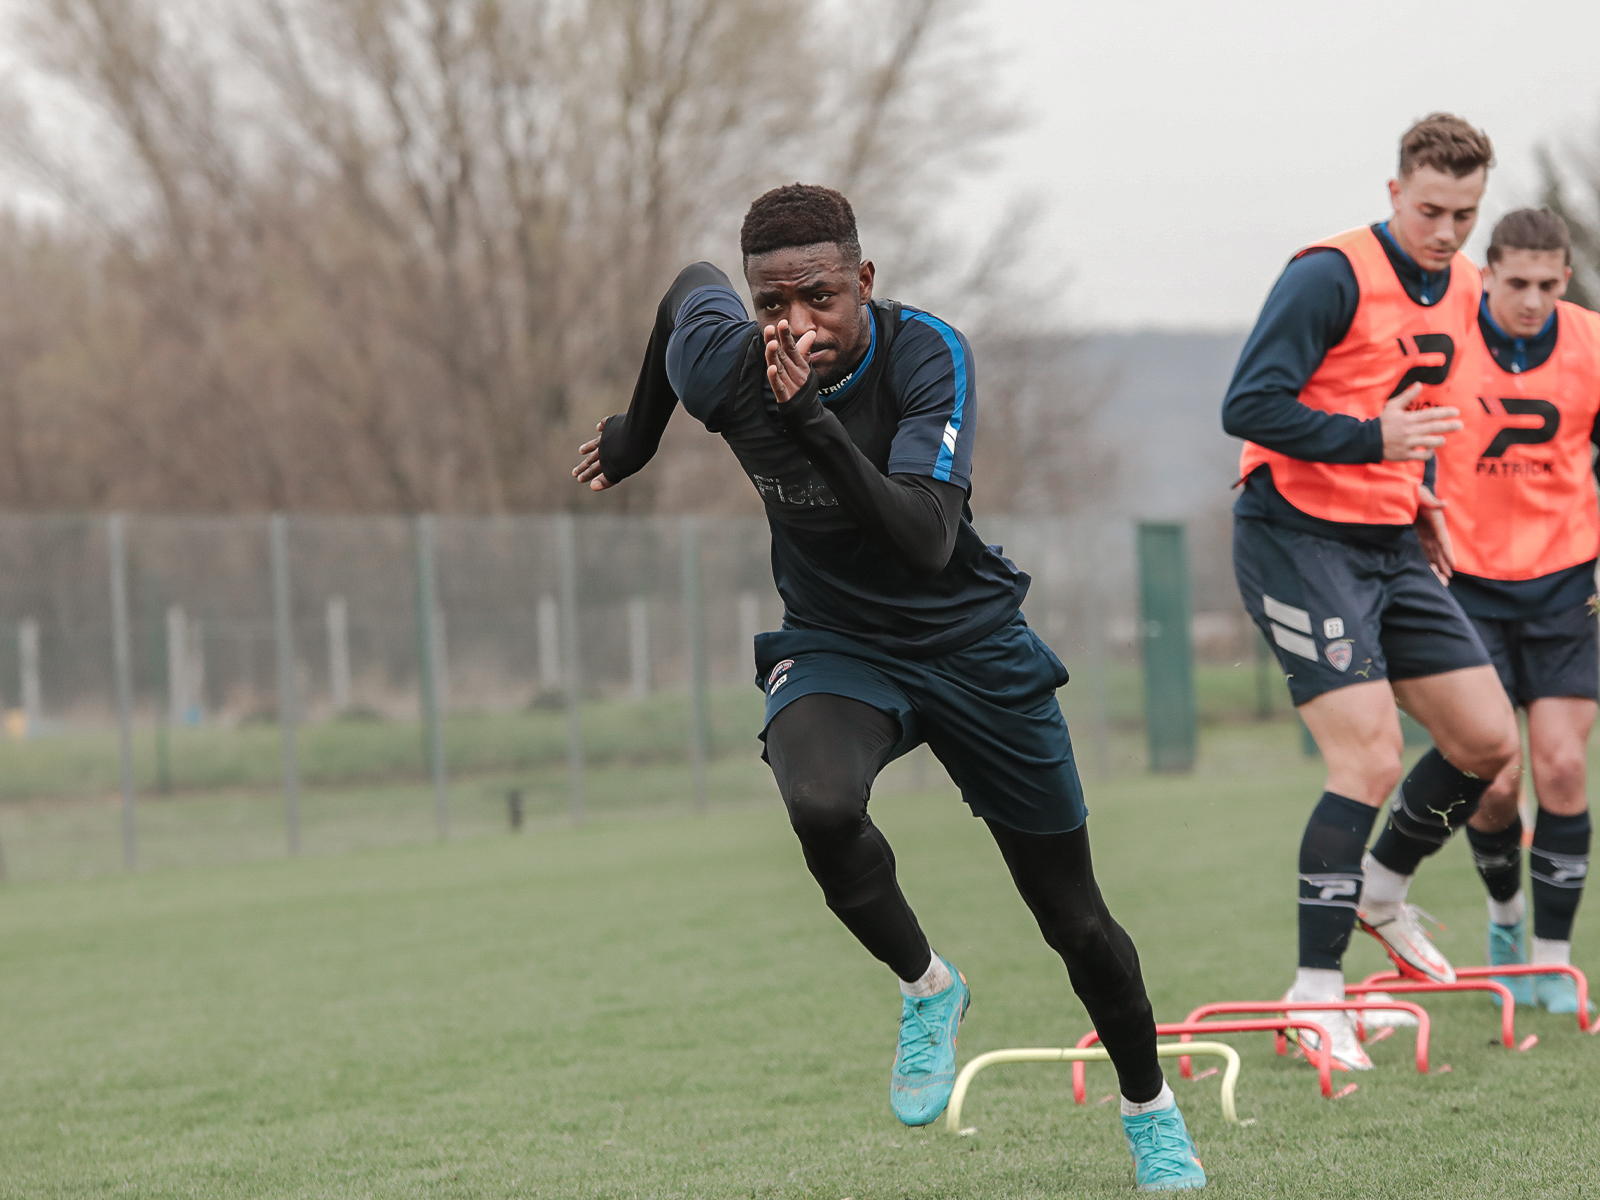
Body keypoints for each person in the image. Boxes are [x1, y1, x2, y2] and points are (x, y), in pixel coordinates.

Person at [573, 184, 1206, 1190]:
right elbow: (682, 296)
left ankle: (1150, 1109)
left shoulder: (926, 356)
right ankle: (927, 987)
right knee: (819, 804)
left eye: (818, 297)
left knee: (1074, 920)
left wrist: (812, 423)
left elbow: (921, 540)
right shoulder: (724, 363)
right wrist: (640, 431)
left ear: (862, 281)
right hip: (836, 644)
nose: (793, 324)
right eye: (771, 304)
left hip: (969, 643)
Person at [1221, 114, 1521, 1071]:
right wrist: (1372, 447)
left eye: (1464, 215)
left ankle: (1382, 890)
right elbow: (1250, 407)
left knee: (1485, 740)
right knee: (1370, 760)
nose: (1445, 230)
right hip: (1296, 536)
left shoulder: (1468, 285)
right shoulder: (1331, 273)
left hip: (1391, 535)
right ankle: (1316, 996)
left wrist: (1417, 490)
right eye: (1430, 209)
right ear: (1395, 194)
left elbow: (1414, 410)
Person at [1429, 207, 1597, 1015]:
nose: (1531, 299)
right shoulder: (1444, 345)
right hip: (1466, 584)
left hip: (1568, 580)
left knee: (1562, 765)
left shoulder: (1590, 344)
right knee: (1494, 782)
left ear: (1565, 279)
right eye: (1516, 283)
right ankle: (1504, 919)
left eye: (1546, 284)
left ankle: (1551, 963)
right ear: (1486, 274)